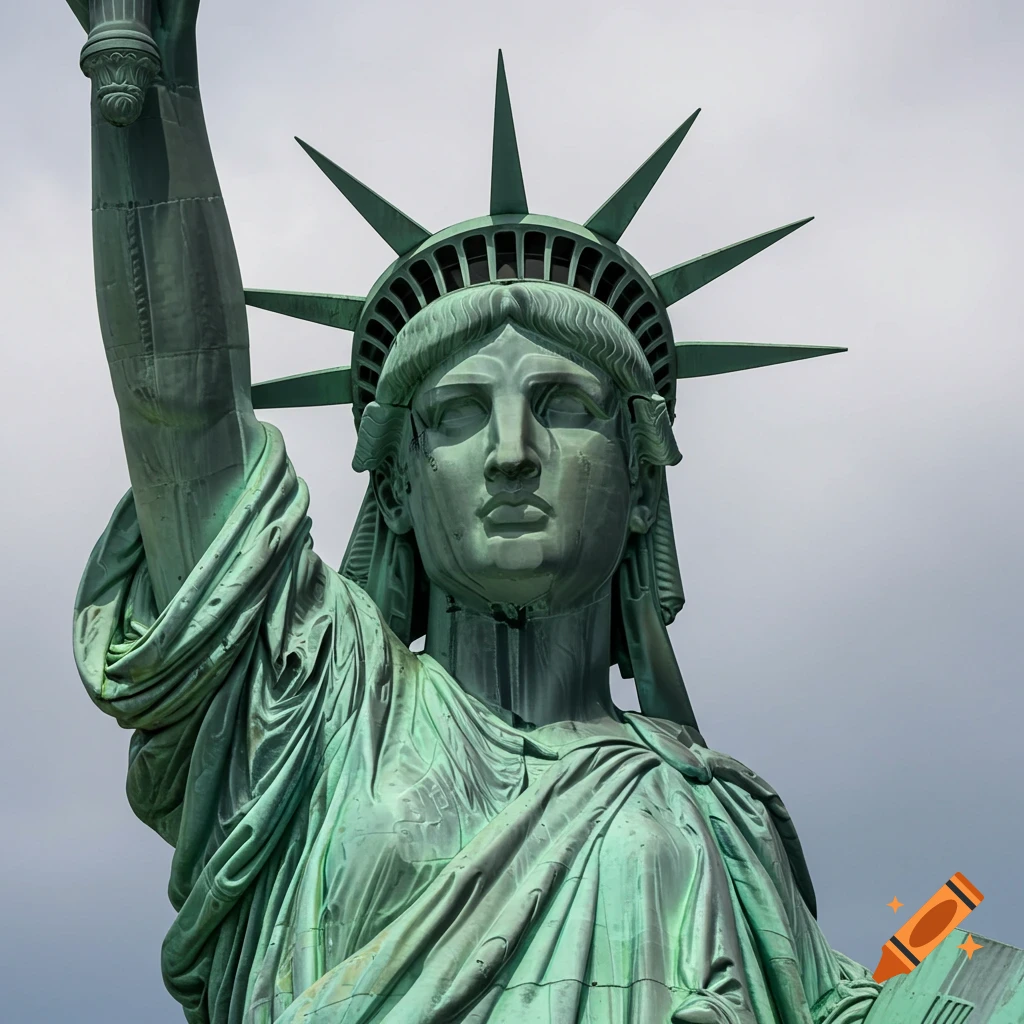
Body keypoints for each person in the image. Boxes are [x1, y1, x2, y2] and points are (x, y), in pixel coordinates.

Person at [67, 1, 882, 1021]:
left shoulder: (722, 819)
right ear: (398, 487)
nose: (511, 452)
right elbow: (178, 409)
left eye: (563, 406)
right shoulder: (309, 711)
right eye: (457, 414)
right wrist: (151, 75)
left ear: (639, 488)